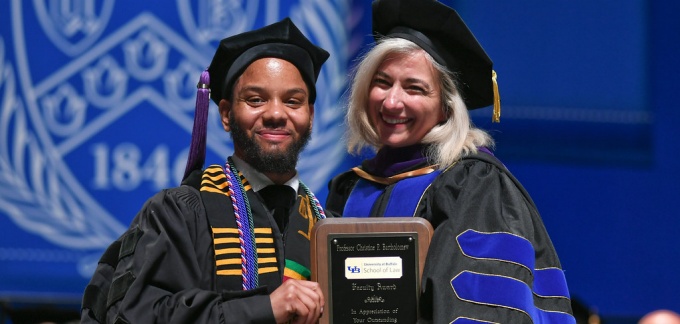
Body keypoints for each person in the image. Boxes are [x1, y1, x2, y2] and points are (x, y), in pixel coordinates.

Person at [325, 0, 575, 323]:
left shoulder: (474, 185)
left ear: (446, 108)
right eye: (382, 82)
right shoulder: (349, 189)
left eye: (414, 88)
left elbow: (479, 309)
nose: (391, 101)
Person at [81, 18, 329, 323]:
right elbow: (136, 314)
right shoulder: (180, 213)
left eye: (293, 101)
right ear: (226, 114)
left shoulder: (327, 226)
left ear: (310, 115)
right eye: (255, 99)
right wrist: (263, 309)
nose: (276, 113)